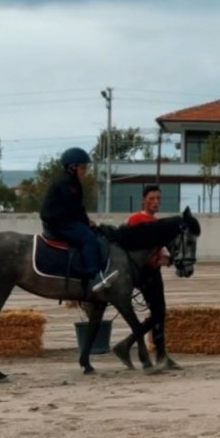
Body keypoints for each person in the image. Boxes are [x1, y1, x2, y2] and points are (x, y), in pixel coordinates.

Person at [40, 147, 117, 300]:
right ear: (72, 167)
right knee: (87, 237)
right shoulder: (67, 183)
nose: (85, 171)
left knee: (91, 231)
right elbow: (74, 209)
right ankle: (94, 276)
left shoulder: (72, 182)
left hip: (63, 219)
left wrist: (88, 221)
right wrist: (86, 224)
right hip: (58, 222)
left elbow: (78, 208)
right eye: (83, 168)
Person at [127, 185, 178, 369]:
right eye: (152, 198)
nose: (156, 202)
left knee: (159, 312)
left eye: (158, 199)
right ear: (144, 200)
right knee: (158, 313)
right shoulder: (137, 220)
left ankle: (161, 354)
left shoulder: (155, 222)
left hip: (153, 271)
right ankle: (130, 345)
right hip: (145, 273)